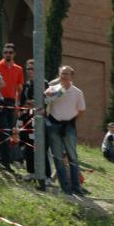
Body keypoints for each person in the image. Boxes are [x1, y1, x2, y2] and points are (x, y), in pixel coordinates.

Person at [44, 65, 86, 195]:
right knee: (57, 157)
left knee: (72, 157)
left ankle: (76, 187)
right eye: (62, 74)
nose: (64, 76)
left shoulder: (78, 92)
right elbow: (46, 100)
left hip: (69, 127)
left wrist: (70, 122)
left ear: (71, 76)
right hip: (54, 125)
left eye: (67, 74)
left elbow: (81, 111)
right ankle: (65, 187)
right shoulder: (53, 89)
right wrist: (47, 93)